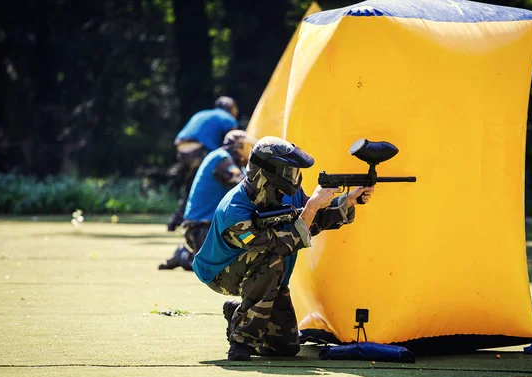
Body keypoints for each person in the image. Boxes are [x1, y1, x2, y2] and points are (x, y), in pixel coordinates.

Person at [192, 136, 375, 361]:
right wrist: (312, 207)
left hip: (267, 275)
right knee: (271, 258)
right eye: (290, 172)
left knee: (286, 348)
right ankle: (242, 341)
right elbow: (278, 245)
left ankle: (237, 315)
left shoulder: (286, 193)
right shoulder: (234, 211)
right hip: (222, 274)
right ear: (269, 173)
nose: (295, 179)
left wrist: (347, 202)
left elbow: (312, 220)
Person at [159, 130, 256, 271]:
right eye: (245, 147)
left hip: (211, 227)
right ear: (236, 147)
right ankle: (184, 255)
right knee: (220, 267)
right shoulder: (222, 158)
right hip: (200, 228)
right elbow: (243, 186)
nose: (247, 153)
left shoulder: (226, 160)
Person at [167, 96, 240, 232]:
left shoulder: (201, 114)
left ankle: (175, 221)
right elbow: (231, 144)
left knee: (190, 187)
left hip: (182, 152)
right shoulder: (228, 119)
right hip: (199, 152)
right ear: (231, 109)